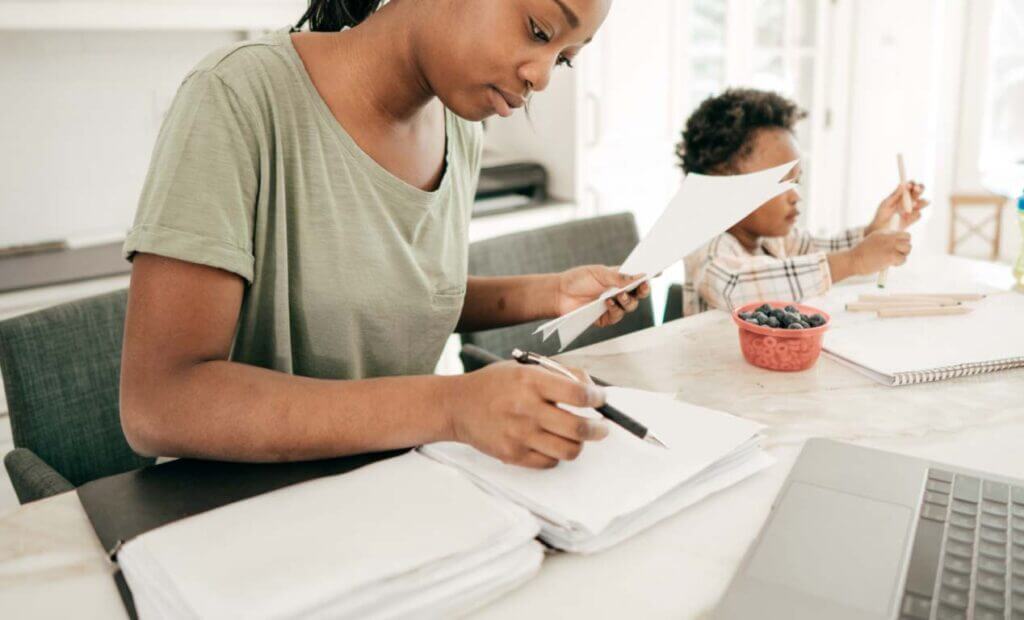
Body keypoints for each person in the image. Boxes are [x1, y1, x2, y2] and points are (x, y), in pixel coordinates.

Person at [119, 0, 648, 470]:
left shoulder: (460, 132)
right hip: (236, 513)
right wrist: (451, 406)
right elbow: (160, 403)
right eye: (538, 29)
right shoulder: (236, 95)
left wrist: (549, 294)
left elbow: (394, 298)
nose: (543, 76)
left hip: (390, 486)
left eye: (565, 57)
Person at [675, 88, 928, 317]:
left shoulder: (774, 239)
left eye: (796, 181)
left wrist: (876, 230)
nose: (796, 195)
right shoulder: (705, 246)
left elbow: (821, 250)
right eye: (780, 182)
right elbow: (737, 288)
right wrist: (854, 260)